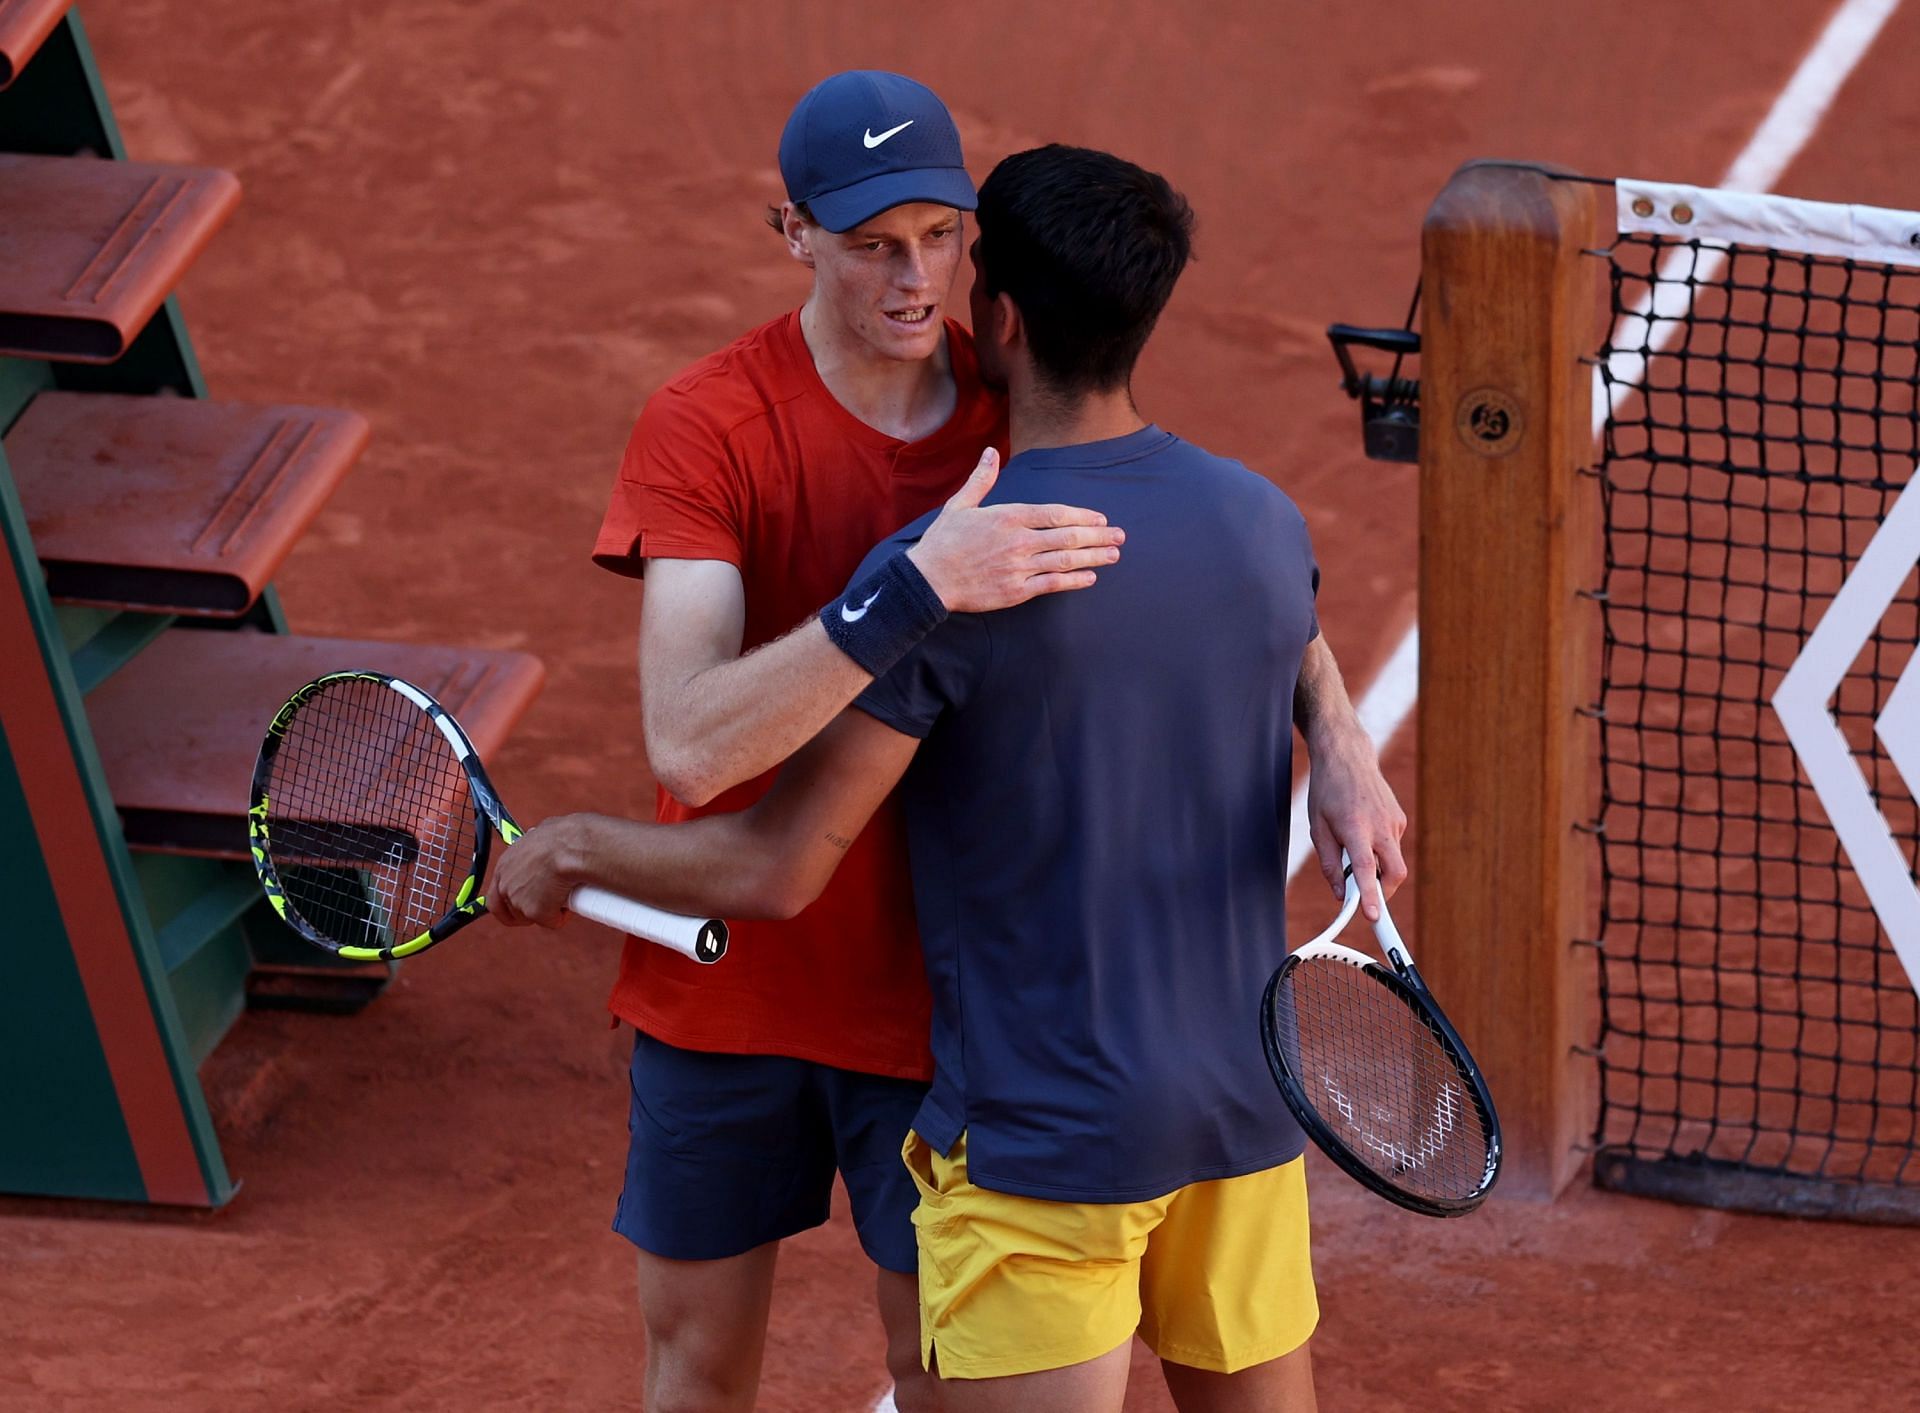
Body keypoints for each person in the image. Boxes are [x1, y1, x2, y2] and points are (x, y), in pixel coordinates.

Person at [499, 144, 1408, 1412]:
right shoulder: (1263, 519)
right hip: (1239, 1118)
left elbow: (772, 865)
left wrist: (579, 847)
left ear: (1003, 320)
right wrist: (1344, 743)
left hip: (1048, 1141)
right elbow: (1293, 630)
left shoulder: (961, 574)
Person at [587, 71, 1130, 1413]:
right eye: (875, 243)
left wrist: (1337, 724)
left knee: (935, 1379)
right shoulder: (707, 423)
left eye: (941, 238)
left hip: (941, 1001)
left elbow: (1204, 534)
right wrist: (911, 585)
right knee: (697, 1373)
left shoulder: (1022, 407)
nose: (915, 277)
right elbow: (693, 744)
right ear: (795, 234)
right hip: (730, 987)